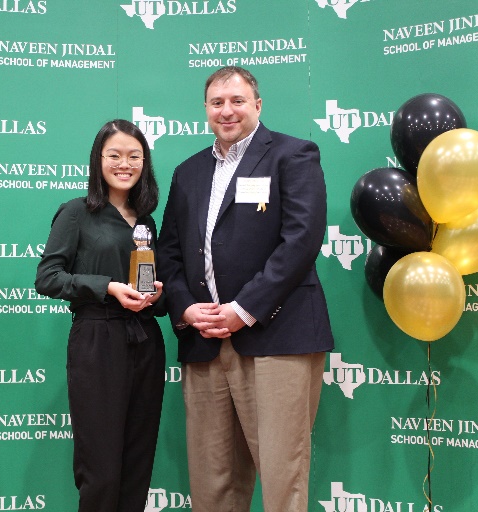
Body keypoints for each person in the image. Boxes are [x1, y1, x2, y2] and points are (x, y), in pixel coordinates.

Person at [156, 67, 334, 512]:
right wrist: (185, 310)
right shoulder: (188, 172)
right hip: (205, 343)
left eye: (237, 100)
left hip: (277, 336)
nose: (227, 110)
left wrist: (244, 308)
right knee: (212, 483)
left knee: (281, 478)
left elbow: (302, 240)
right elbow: (170, 251)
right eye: (217, 103)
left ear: (257, 105)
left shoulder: (293, 155)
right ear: (206, 111)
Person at [35, 119, 166, 512]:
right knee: (102, 469)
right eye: (114, 155)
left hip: (145, 341)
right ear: (98, 160)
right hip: (97, 340)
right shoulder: (77, 212)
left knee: (137, 462)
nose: (124, 164)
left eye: (134, 156)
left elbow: (150, 288)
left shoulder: (146, 221)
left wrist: (155, 296)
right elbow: (47, 277)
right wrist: (107, 287)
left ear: (145, 163)